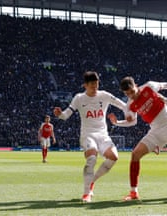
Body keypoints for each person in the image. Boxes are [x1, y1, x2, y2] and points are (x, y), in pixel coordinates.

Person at [53, 71, 127, 203]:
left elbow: (123, 105)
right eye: (92, 85)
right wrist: (59, 114)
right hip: (88, 135)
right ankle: (86, 193)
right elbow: (65, 116)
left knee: (114, 157)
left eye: (96, 84)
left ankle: (92, 181)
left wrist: (130, 112)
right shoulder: (79, 98)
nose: (95, 87)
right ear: (85, 85)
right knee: (92, 158)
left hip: (103, 135)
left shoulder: (104, 95)